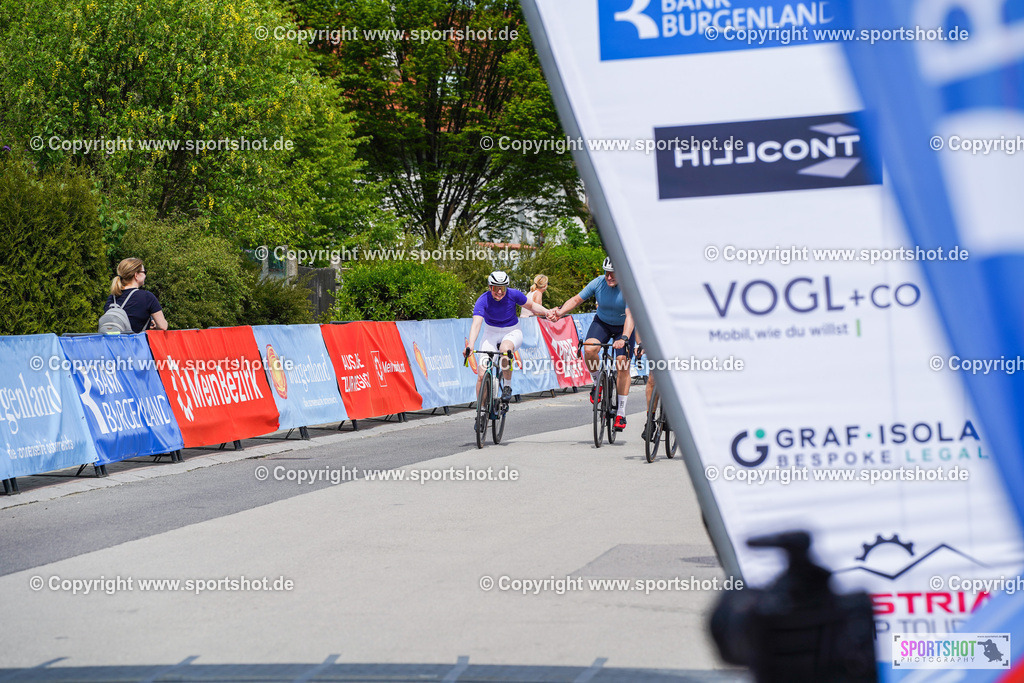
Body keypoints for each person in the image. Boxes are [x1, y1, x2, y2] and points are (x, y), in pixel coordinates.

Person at [548, 257, 636, 431]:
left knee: (622, 364)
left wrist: (624, 338)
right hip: (602, 323)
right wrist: (559, 313)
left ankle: (621, 413)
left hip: (623, 327)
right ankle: (598, 382)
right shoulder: (598, 282)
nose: (609, 276)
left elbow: (630, 315)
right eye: (606, 273)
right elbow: (576, 300)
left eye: (613, 273)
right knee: (589, 349)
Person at [465, 271, 550, 402]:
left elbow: (532, 305)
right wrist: (470, 344)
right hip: (491, 333)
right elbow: (476, 324)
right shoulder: (483, 300)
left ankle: (507, 386)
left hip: (512, 331)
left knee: (505, 350)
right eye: (495, 288)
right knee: (481, 376)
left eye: (502, 288)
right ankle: (481, 412)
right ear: (489, 287)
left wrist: (547, 312)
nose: (499, 292)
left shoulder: (513, 294)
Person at [105, 258, 168, 333]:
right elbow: (163, 326)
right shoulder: (147, 297)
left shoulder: (112, 297)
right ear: (136, 275)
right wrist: (156, 325)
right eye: (144, 272)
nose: (145, 275)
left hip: (114, 343)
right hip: (135, 344)